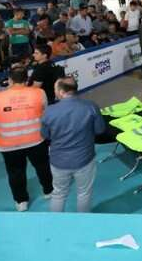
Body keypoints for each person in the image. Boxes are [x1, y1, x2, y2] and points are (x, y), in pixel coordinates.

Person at [0, 66, 53, 211]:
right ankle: (49, 190)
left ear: (10, 80)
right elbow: (44, 111)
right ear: (27, 78)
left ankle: (21, 201)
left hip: (8, 144)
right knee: (42, 166)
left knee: (15, 172)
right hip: (36, 140)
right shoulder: (39, 93)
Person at [41, 77, 106, 212]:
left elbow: (45, 135)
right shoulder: (90, 106)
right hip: (85, 159)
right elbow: (100, 130)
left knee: (59, 194)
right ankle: (82, 221)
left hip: (58, 161)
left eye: (55, 89)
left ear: (61, 91)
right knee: (84, 193)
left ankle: (55, 221)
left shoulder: (49, 111)